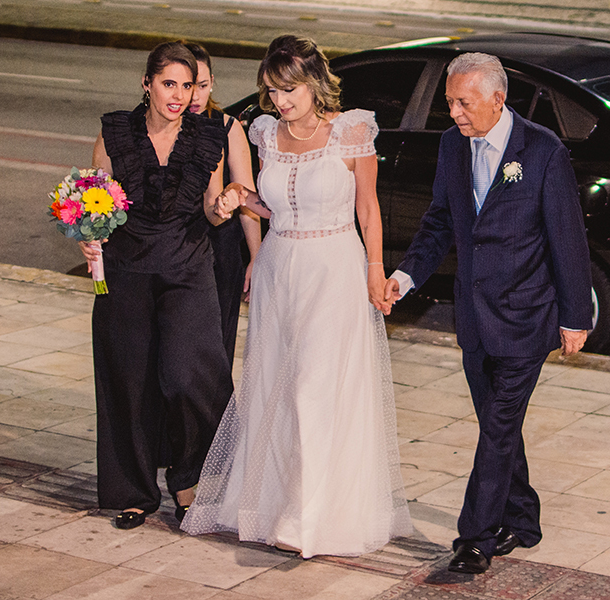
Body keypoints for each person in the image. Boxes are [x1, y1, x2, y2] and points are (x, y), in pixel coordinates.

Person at [182, 35, 413, 557]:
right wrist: (243, 199)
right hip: (279, 269)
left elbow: (369, 212)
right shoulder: (264, 133)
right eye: (272, 90)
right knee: (275, 388)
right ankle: (271, 500)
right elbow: (275, 207)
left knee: (314, 385)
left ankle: (307, 513)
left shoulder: (351, 131)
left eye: (289, 89)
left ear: (313, 83)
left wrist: (376, 273)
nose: (281, 101)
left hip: (333, 270)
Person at [383, 52, 592, 574]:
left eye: (463, 102)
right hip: (474, 318)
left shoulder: (542, 152)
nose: (453, 112)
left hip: (526, 316)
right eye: (450, 101)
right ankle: (523, 517)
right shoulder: (453, 146)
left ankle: (475, 536)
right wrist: (404, 276)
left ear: (498, 99)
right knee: (499, 424)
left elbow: (568, 239)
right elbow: (438, 223)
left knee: (497, 427)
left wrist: (575, 316)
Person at [80, 41, 244, 530]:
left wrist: (226, 205)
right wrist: (88, 241)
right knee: (128, 382)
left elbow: (213, 206)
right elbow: (96, 207)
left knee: (189, 375)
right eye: (169, 83)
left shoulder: (206, 138)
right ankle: (134, 492)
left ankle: (190, 477)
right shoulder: (113, 134)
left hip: (187, 268)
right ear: (147, 84)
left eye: (187, 85)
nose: (178, 95)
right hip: (126, 270)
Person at [184, 42, 261, 366]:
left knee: (216, 350)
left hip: (219, 251)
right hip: (176, 249)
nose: (195, 96)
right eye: (189, 86)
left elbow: (247, 200)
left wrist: (256, 259)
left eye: (202, 86)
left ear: (212, 82)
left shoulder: (228, 128)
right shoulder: (160, 126)